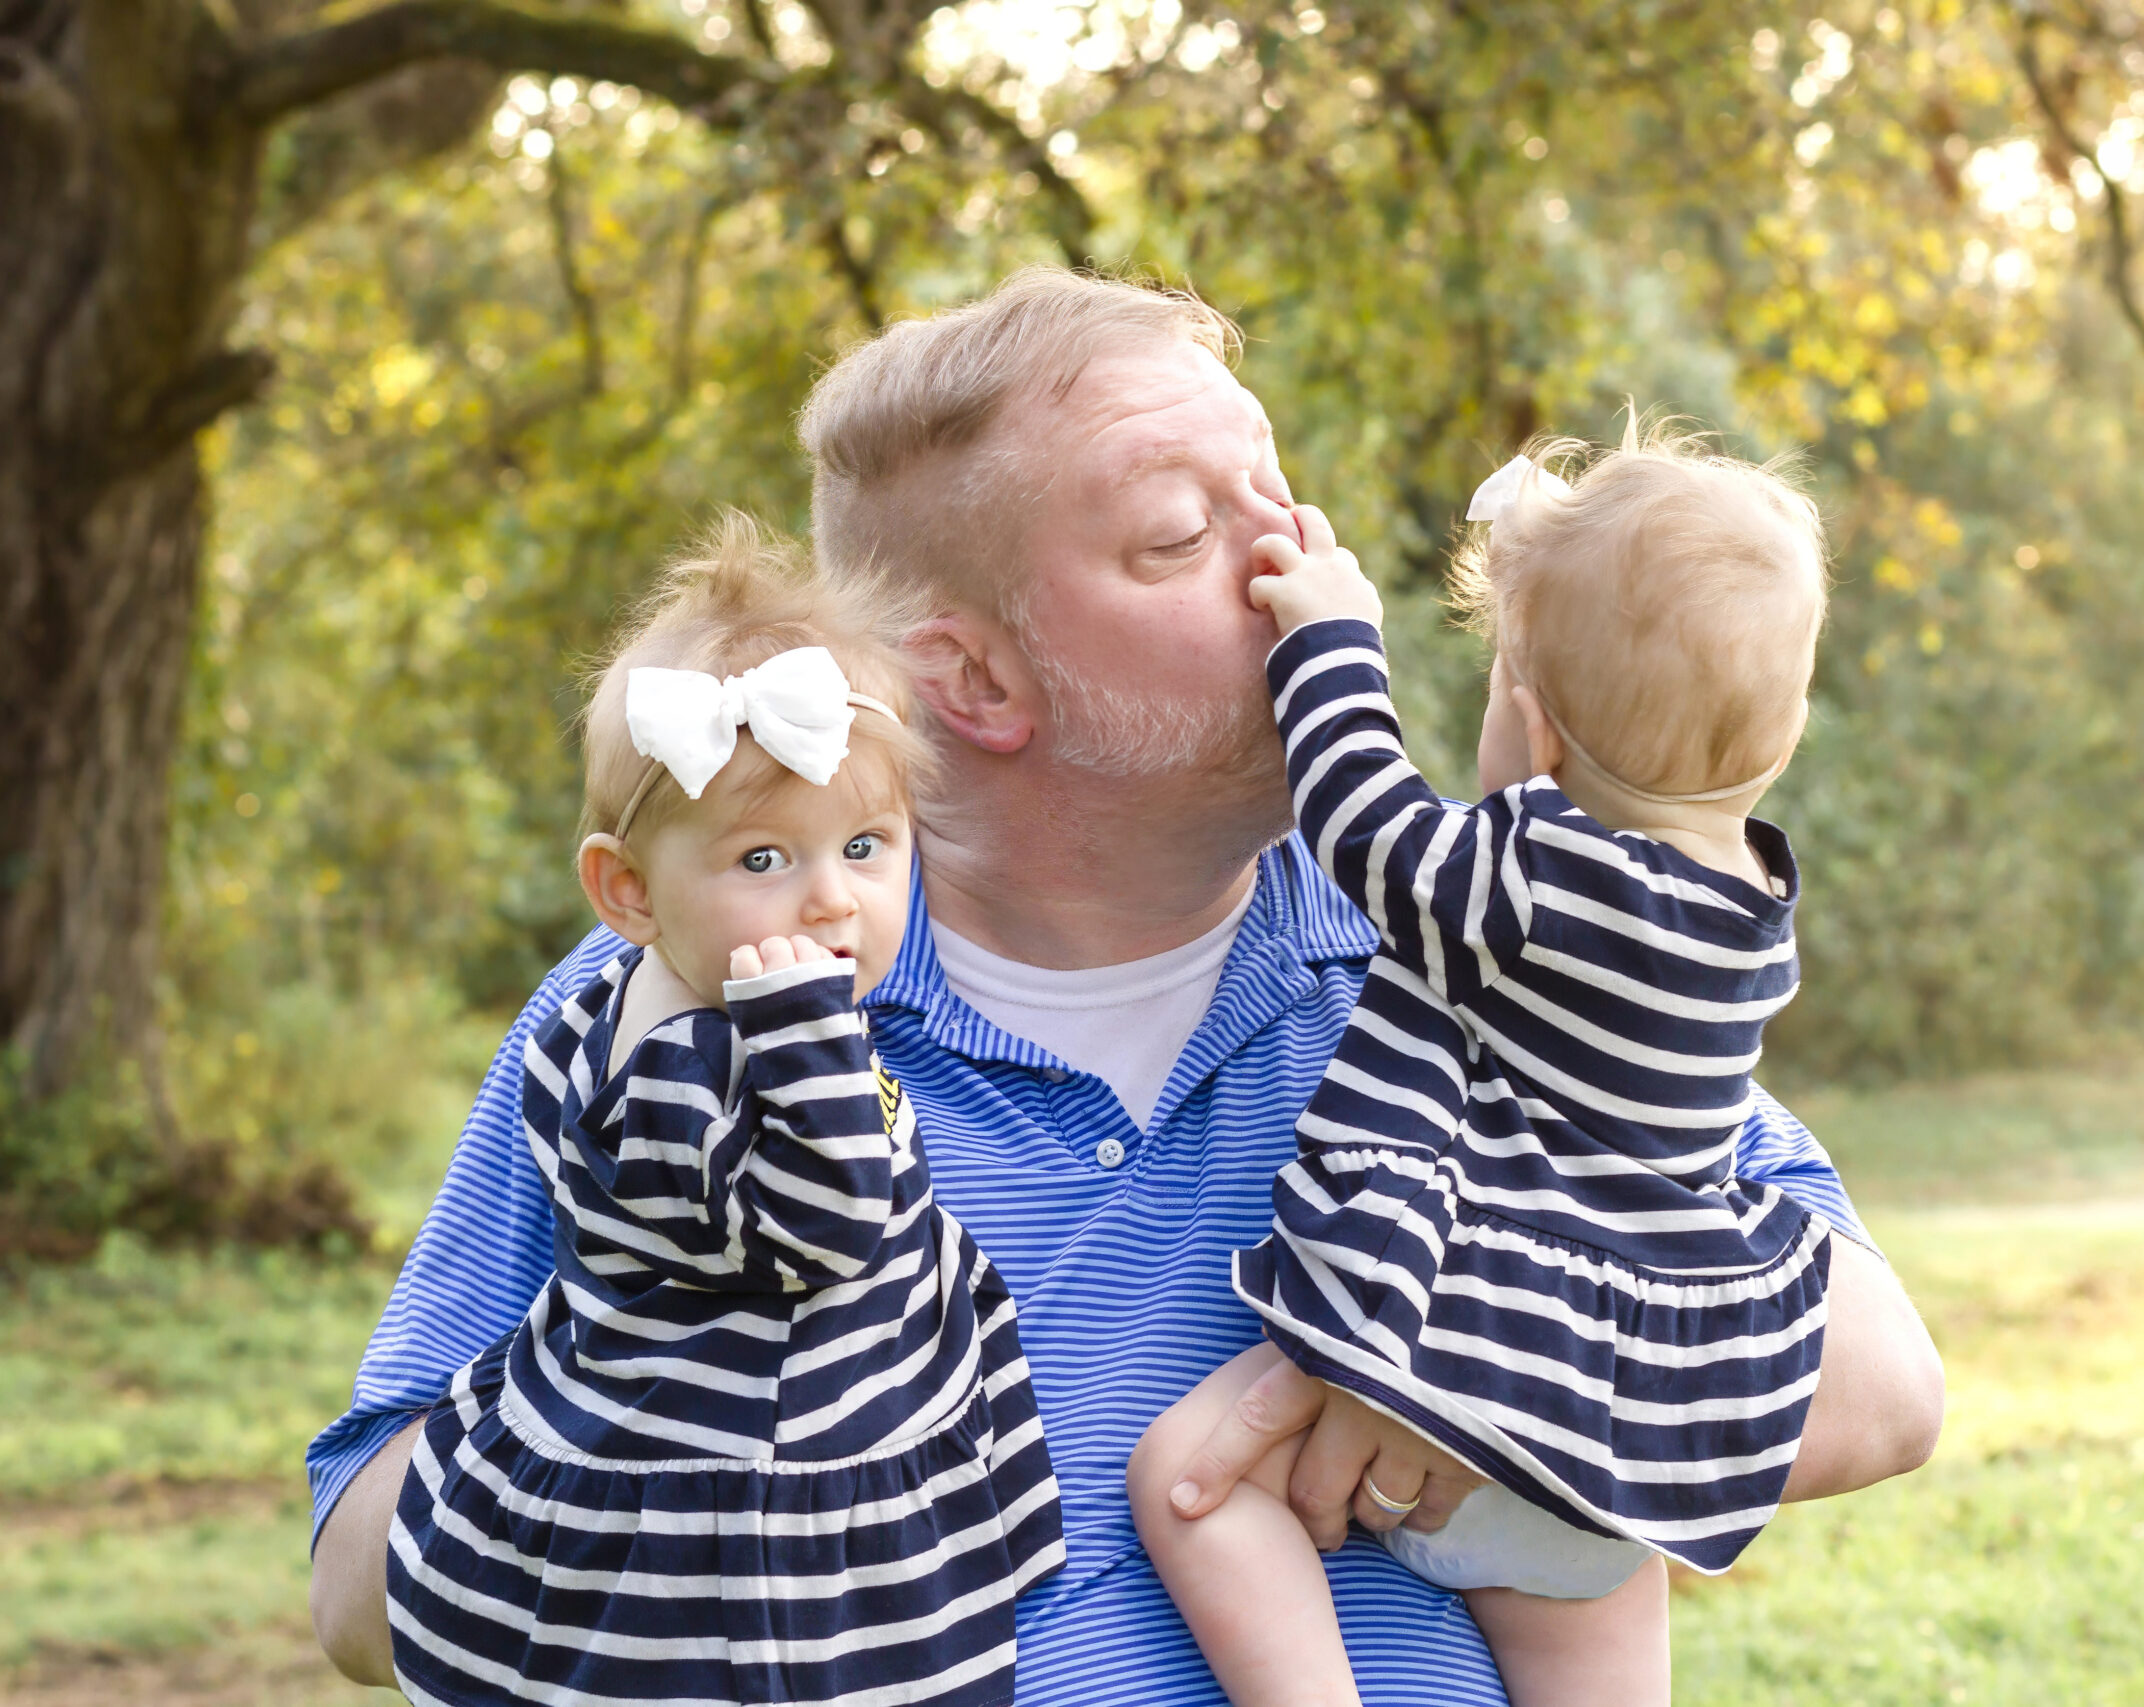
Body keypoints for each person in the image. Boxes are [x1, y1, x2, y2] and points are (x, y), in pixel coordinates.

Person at [309, 268, 1943, 1705]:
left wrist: (1464, 1381)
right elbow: (363, 1587)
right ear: (976, 679)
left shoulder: (1457, 956)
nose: (1296, 554)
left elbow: (1883, 1382)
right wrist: (722, 1367)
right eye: (1181, 532)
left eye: (1276, 488)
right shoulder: (689, 1009)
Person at [1130, 433, 1834, 1707]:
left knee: (1190, 1480)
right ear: (1775, 745)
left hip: (1450, 1349)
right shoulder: (1751, 915)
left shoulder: (1533, 883)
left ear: (1535, 733)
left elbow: (1365, 817)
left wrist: (1331, 639)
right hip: (1605, 1438)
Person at [388, 521, 1064, 1706]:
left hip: (848, 1429)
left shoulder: (699, 996)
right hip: (736, 1537)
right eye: (762, 860)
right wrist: (808, 1028)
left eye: (866, 847)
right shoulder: (671, 1062)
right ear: (629, 892)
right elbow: (832, 1223)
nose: (830, 899)